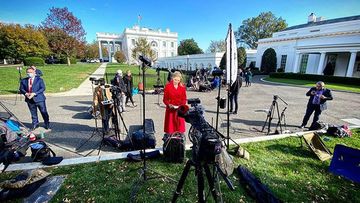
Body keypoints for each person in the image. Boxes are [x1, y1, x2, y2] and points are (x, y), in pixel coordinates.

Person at [163, 71, 187, 136]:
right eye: (175, 79)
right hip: (171, 110)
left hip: (179, 110)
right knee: (170, 129)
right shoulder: (168, 86)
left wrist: (181, 105)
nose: (176, 81)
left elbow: (184, 99)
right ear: (172, 78)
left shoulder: (182, 87)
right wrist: (169, 104)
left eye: (178, 80)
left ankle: (180, 141)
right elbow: (165, 99)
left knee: (180, 129)